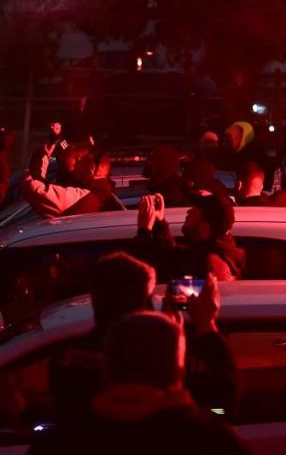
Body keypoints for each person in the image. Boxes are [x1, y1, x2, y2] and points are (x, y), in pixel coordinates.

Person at [49, 252, 237, 421]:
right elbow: (220, 406)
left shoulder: (66, 358)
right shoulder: (156, 373)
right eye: (148, 297)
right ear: (140, 305)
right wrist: (206, 328)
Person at [32, 312, 247, 455]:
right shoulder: (212, 441)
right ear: (179, 369)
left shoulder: (57, 443)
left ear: (106, 368)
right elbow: (222, 405)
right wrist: (207, 329)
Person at [135, 191, 245, 282]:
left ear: (204, 228)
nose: (189, 211)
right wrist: (160, 222)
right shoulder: (217, 253)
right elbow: (172, 255)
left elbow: (148, 272)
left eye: (195, 210)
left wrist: (144, 231)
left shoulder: (207, 264)